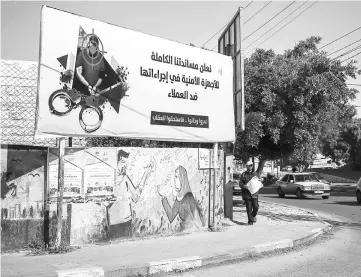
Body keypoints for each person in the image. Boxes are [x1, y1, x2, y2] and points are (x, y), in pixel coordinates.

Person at [158, 166, 205, 232]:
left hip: (191, 231)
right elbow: (171, 216)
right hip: (185, 231)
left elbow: (195, 218)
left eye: (177, 177)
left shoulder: (188, 196)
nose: (174, 179)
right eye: (174, 177)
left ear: (182, 178)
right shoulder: (179, 197)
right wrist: (163, 197)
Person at [240, 161, 259, 225]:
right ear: (246, 166)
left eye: (251, 165)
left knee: (256, 207)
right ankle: (250, 221)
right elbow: (240, 183)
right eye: (249, 165)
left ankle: (253, 216)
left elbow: (258, 182)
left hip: (254, 194)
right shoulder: (243, 174)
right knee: (249, 208)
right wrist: (243, 186)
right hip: (247, 193)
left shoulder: (255, 174)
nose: (250, 167)